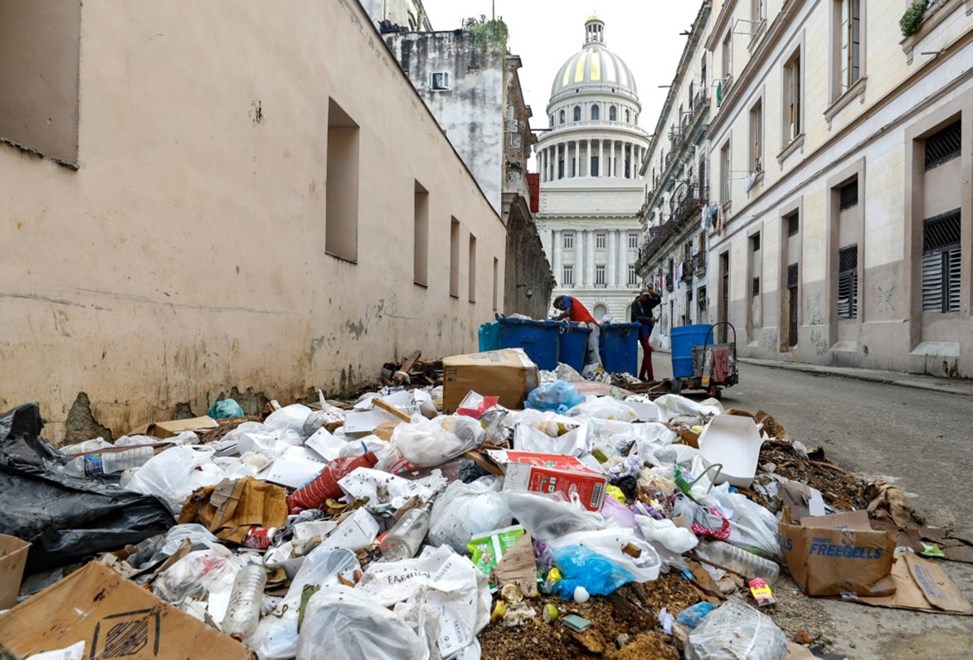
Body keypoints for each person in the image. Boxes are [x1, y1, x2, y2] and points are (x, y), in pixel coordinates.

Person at [553, 295, 602, 368]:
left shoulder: (567, 299)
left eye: (558, 306)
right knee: (587, 352)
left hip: (590, 325)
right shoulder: (571, 309)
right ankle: (591, 369)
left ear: (560, 301)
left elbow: (567, 312)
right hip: (585, 328)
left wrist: (557, 319)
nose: (560, 308)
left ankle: (598, 369)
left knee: (593, 349)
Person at [631, 286, 662, 381]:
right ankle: (650, 377)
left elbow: (658, 301)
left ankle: (641, 375)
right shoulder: (635, 305)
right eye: (644, 296)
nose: (646, 297)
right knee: (648, 350)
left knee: (647, 353)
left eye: (647, 296)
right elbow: (635, 318)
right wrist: (649, 319)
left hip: (649, 330)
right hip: (641, 331)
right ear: (640, 294)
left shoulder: (648, 301)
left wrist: (653, 293)